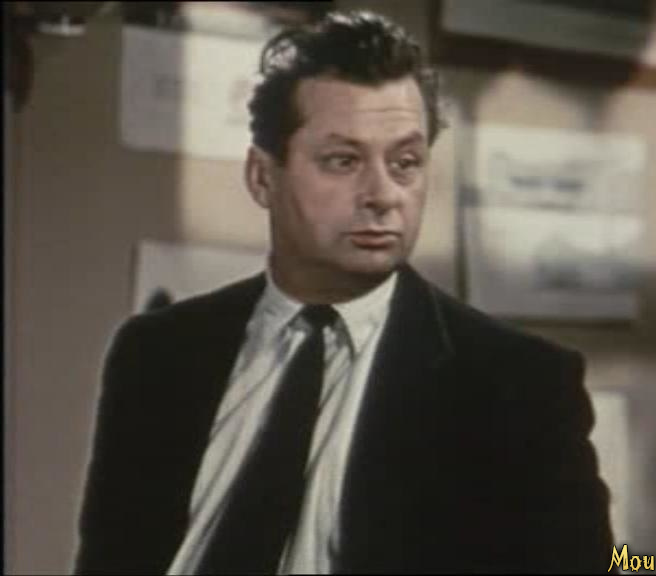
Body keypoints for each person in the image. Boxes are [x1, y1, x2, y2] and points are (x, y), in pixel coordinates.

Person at [74, 10, 615, 575]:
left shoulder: (519, 387)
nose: (383, 194)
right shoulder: (157, 353)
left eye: (405, 163)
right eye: (343, 161)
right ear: (262, 176)